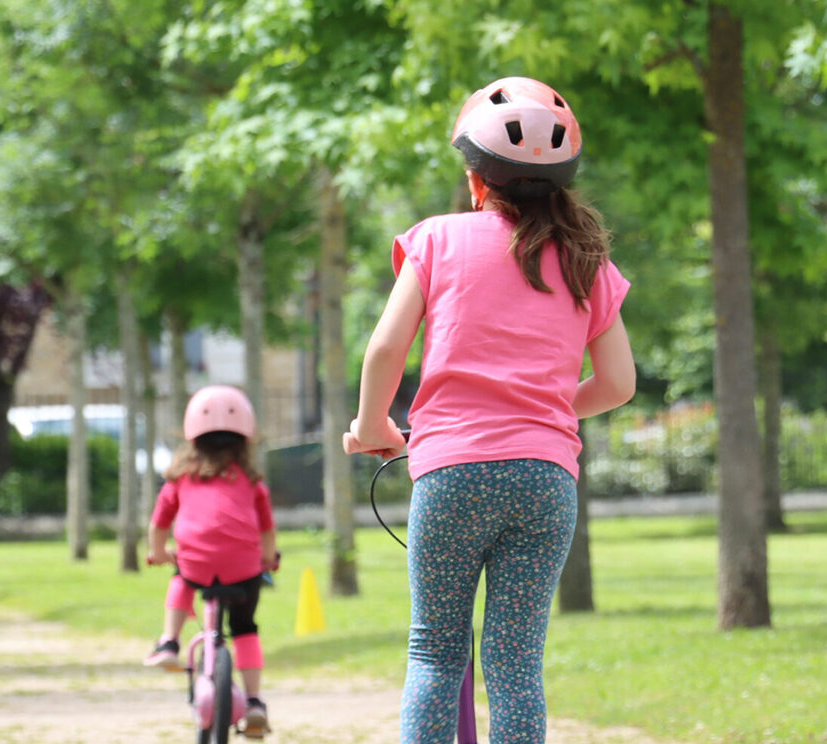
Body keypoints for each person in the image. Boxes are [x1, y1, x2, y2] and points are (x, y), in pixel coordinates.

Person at [344, 76, 637, 744]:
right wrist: (544, 411)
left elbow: (386, 347)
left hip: (451, 474)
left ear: (477, 181)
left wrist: (371, 428)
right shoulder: (587, 258)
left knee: (436, 652)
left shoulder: (438, 240)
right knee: (514, 664)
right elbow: (618, 383)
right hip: (544, 481)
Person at [143, 385, 280, 738]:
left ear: (192, 436)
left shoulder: (180, 479)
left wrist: (158, 552)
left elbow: (159, 523)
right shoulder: (252, 480)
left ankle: (169, 642)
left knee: (181, 576)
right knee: (246, 627)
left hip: (197, 563)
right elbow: (267, 529)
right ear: (245, 438)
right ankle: (253, 702)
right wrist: (268, 558)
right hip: (245, 567)